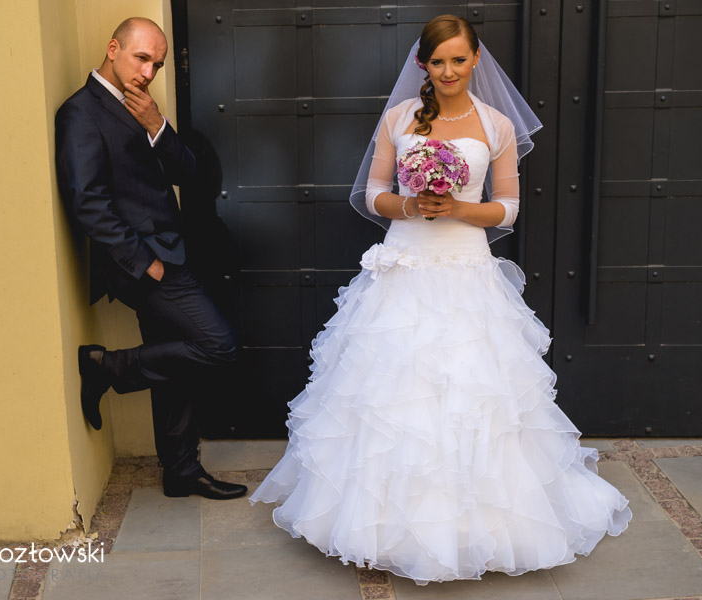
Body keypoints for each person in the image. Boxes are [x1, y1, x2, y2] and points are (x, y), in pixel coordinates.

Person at [250, 15, 631, 583]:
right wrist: (410, 205)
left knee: (473, 394)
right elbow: (372, 193)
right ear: (422, 64)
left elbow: (508, 208)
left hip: (465, 271)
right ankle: (378, 524)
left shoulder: (497, 124)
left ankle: (473, 529)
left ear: (475, 59)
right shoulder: (399, 118)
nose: (448, 71)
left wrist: (456, 207)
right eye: (437, 61)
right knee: (391, 393)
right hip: (404, 266)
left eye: (458, 59)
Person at [55, 17, 246, 500]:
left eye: (157, 65)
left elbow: (190, 173)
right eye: (141, 58)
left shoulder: (142, 106)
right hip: (140, 264)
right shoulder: (80, 113)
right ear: (113, 48)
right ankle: (108, 368)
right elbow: (87, 203)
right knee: (219, 345)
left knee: (175, 362)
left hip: (171, 253)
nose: (148, 72)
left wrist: (157, 126)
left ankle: (181, 470)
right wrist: (144, 262)